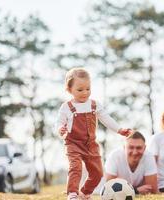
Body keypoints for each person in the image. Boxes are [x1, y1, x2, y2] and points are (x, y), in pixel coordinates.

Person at [56, 67, 132, 200]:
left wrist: (119, 129)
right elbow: (59, 122)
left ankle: (85, 193)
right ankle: (72, 194)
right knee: (75, 167)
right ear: (69, 90)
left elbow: (106, 118)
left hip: (91, 144)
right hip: (72, 144)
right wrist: (60, 128)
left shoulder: (94, 105)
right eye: (80, 90)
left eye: (88, 89)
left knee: (97, 173)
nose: (85, 93)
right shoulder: (66, 107)